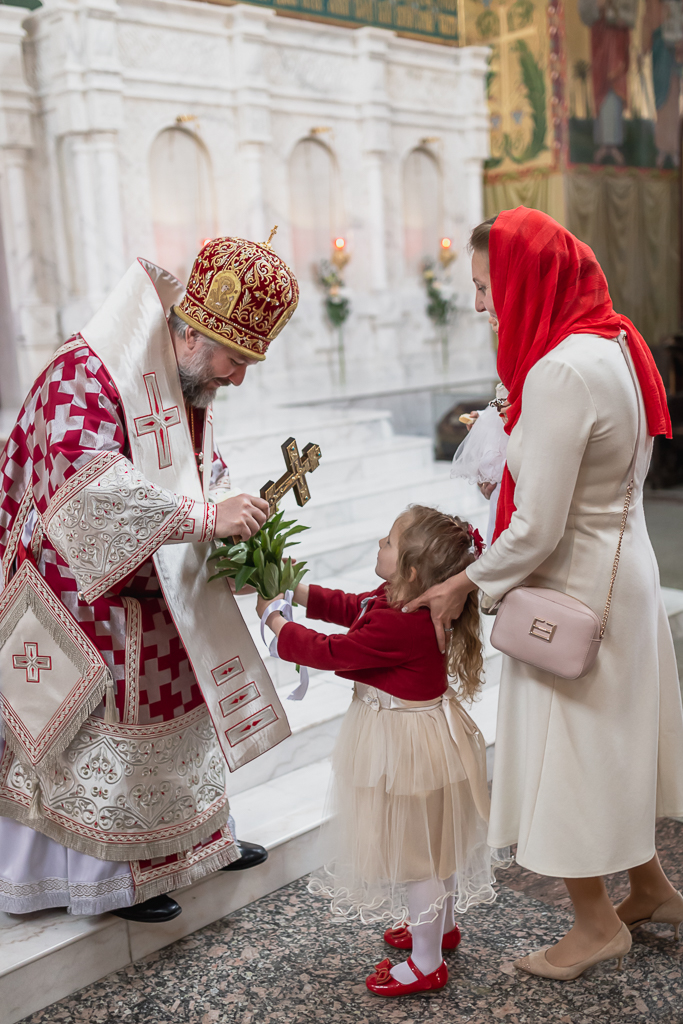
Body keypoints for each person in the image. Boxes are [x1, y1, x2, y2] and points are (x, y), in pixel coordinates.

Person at [404, 207, 683, 980]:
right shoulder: (612, 341)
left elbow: (536, 527)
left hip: (569, 592)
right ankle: (651, 889)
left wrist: (462, 585)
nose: (479, 304)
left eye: (484, 285)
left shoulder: (558, 370)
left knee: (570, 759)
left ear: (525, 277)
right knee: (610, 744)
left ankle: (594, 925)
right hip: (621, 572)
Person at [0, 236, 298, 922]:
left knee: (181, 709)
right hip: (80, 594)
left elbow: (189, 466)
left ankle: (193, 841)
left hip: (160, 581)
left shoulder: (183, 375)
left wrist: (225, 513)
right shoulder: (86, 371)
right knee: (106, 725)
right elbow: (86, 493)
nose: (238, 378)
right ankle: (107, 876)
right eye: (235, 359)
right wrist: (203, 516)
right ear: (192, 335)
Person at [258, 505, 503, 997]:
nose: (379, 543)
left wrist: (276, 621)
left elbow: (330, 652)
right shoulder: (403, 602)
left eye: (388, 542)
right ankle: (441, 928)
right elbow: (352, 606)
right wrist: (295, 589)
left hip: (407, 750)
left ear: (411, 570)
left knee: (418, 857)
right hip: (422, 740)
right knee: (434, 846)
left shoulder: (402, 623)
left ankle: (427, 963)